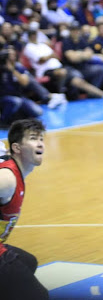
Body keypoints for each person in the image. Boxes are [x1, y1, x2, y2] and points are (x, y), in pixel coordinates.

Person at [0, 119, 50, 299]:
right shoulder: (7, 179)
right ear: (17, 148)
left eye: (41, 139)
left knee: (29, 262)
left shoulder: (15, 171)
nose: (40, 143)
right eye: (33, 138)